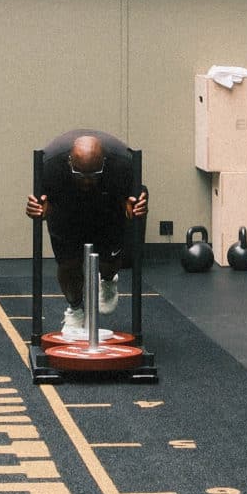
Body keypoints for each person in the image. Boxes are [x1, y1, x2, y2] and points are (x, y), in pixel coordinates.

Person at [24, 130, 148, 342]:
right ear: (69, 161)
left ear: (104, 162)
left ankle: (108, 280)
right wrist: (37, 209)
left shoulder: (122, 163)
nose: (87, 182)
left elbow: (131, 199)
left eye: (93, 175)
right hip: (66, 207)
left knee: (109, 262)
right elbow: (44, 203)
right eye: (81, 175)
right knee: (68, 265)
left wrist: (133, 207)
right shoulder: (51, 164)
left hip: (108, 206)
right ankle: (75, 309)